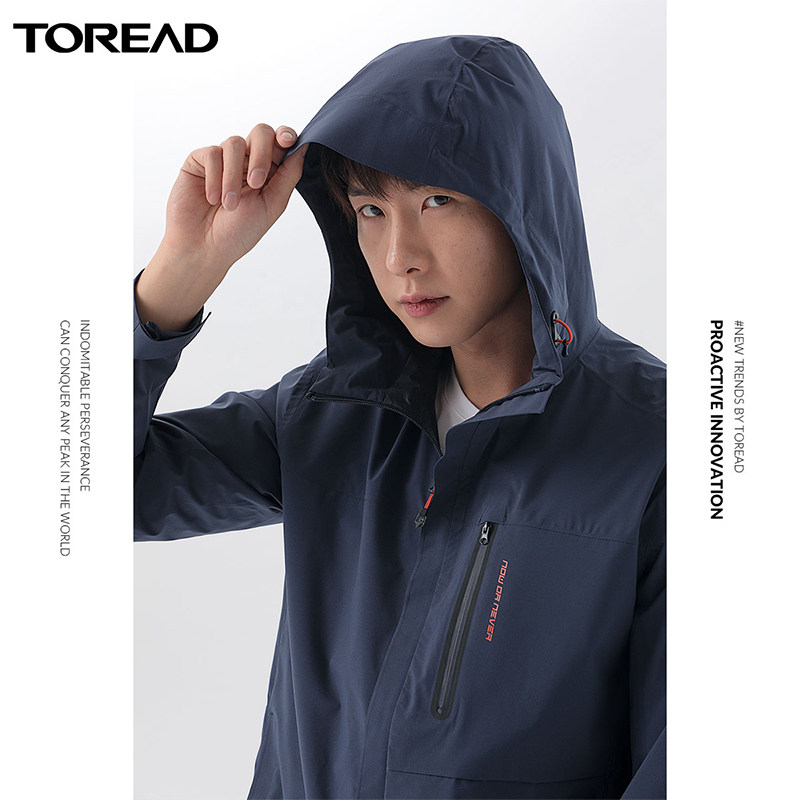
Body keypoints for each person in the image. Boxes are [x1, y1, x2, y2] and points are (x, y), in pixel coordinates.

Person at [134, 35, 666, 800]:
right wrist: (179, 276)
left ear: (524, 205)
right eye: (371, 210)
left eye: (437, 201)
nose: (399, 257)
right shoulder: (334, 415)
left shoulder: (657, 447)